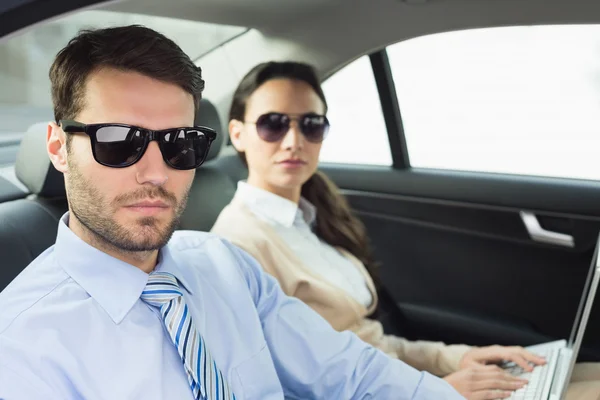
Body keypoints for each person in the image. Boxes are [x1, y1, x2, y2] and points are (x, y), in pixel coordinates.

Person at [0, 26, 464, 400]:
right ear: (58, 148)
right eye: (121, 141)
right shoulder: (22, 349)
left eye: (181, 144)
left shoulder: (225, 265)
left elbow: (348, 372)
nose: (156, 173)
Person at [210, 60, 600, 400]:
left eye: (311, 124)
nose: (294, 141)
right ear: (239, 133)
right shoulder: (237, 244)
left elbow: (369, 341)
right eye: (273, 124)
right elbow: (290, 384)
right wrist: (436, 390)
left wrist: (457, 357)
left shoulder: (310, 219)